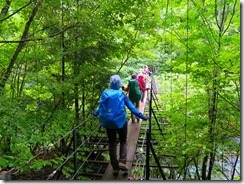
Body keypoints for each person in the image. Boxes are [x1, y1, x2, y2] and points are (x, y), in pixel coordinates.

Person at [93, 75, 150, 176]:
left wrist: (95, 113)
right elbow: (132, 107)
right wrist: (142, 116)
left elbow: (101, 107)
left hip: (108, 123)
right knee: (123, 141)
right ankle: (122, 162)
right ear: (119, 84)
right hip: (120, 122)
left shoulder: (105, 93)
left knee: (112, 143)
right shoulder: (122, 94)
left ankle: (115, 168)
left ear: (110, 83)